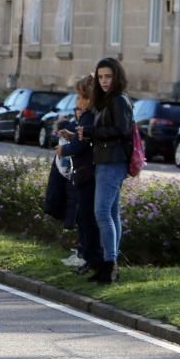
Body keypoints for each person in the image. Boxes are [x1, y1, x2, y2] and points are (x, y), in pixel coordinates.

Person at [78, 58, 132, 284]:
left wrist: (92, 132)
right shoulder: (107, 101)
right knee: (111, 213)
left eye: (108, 76)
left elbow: (122, 130)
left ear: (116, 77)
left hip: (113, 162)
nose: (103, 81)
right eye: (100, 77)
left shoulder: (119, 100)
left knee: (101, 212)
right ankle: (110, 264)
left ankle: (108, 265)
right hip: (105, 160)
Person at [55, 75, 101, 276]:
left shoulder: (88, 116)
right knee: (84, 217)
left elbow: (82, 145)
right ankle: (89, 258)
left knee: (86, 218)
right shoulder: (90, 116)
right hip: (87, 171)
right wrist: (71, 136)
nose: (76, 101)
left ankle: (91, 258)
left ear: (87, 98)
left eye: (79, 97)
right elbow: (84, 139)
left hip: (86, 172)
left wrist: (63, 150)